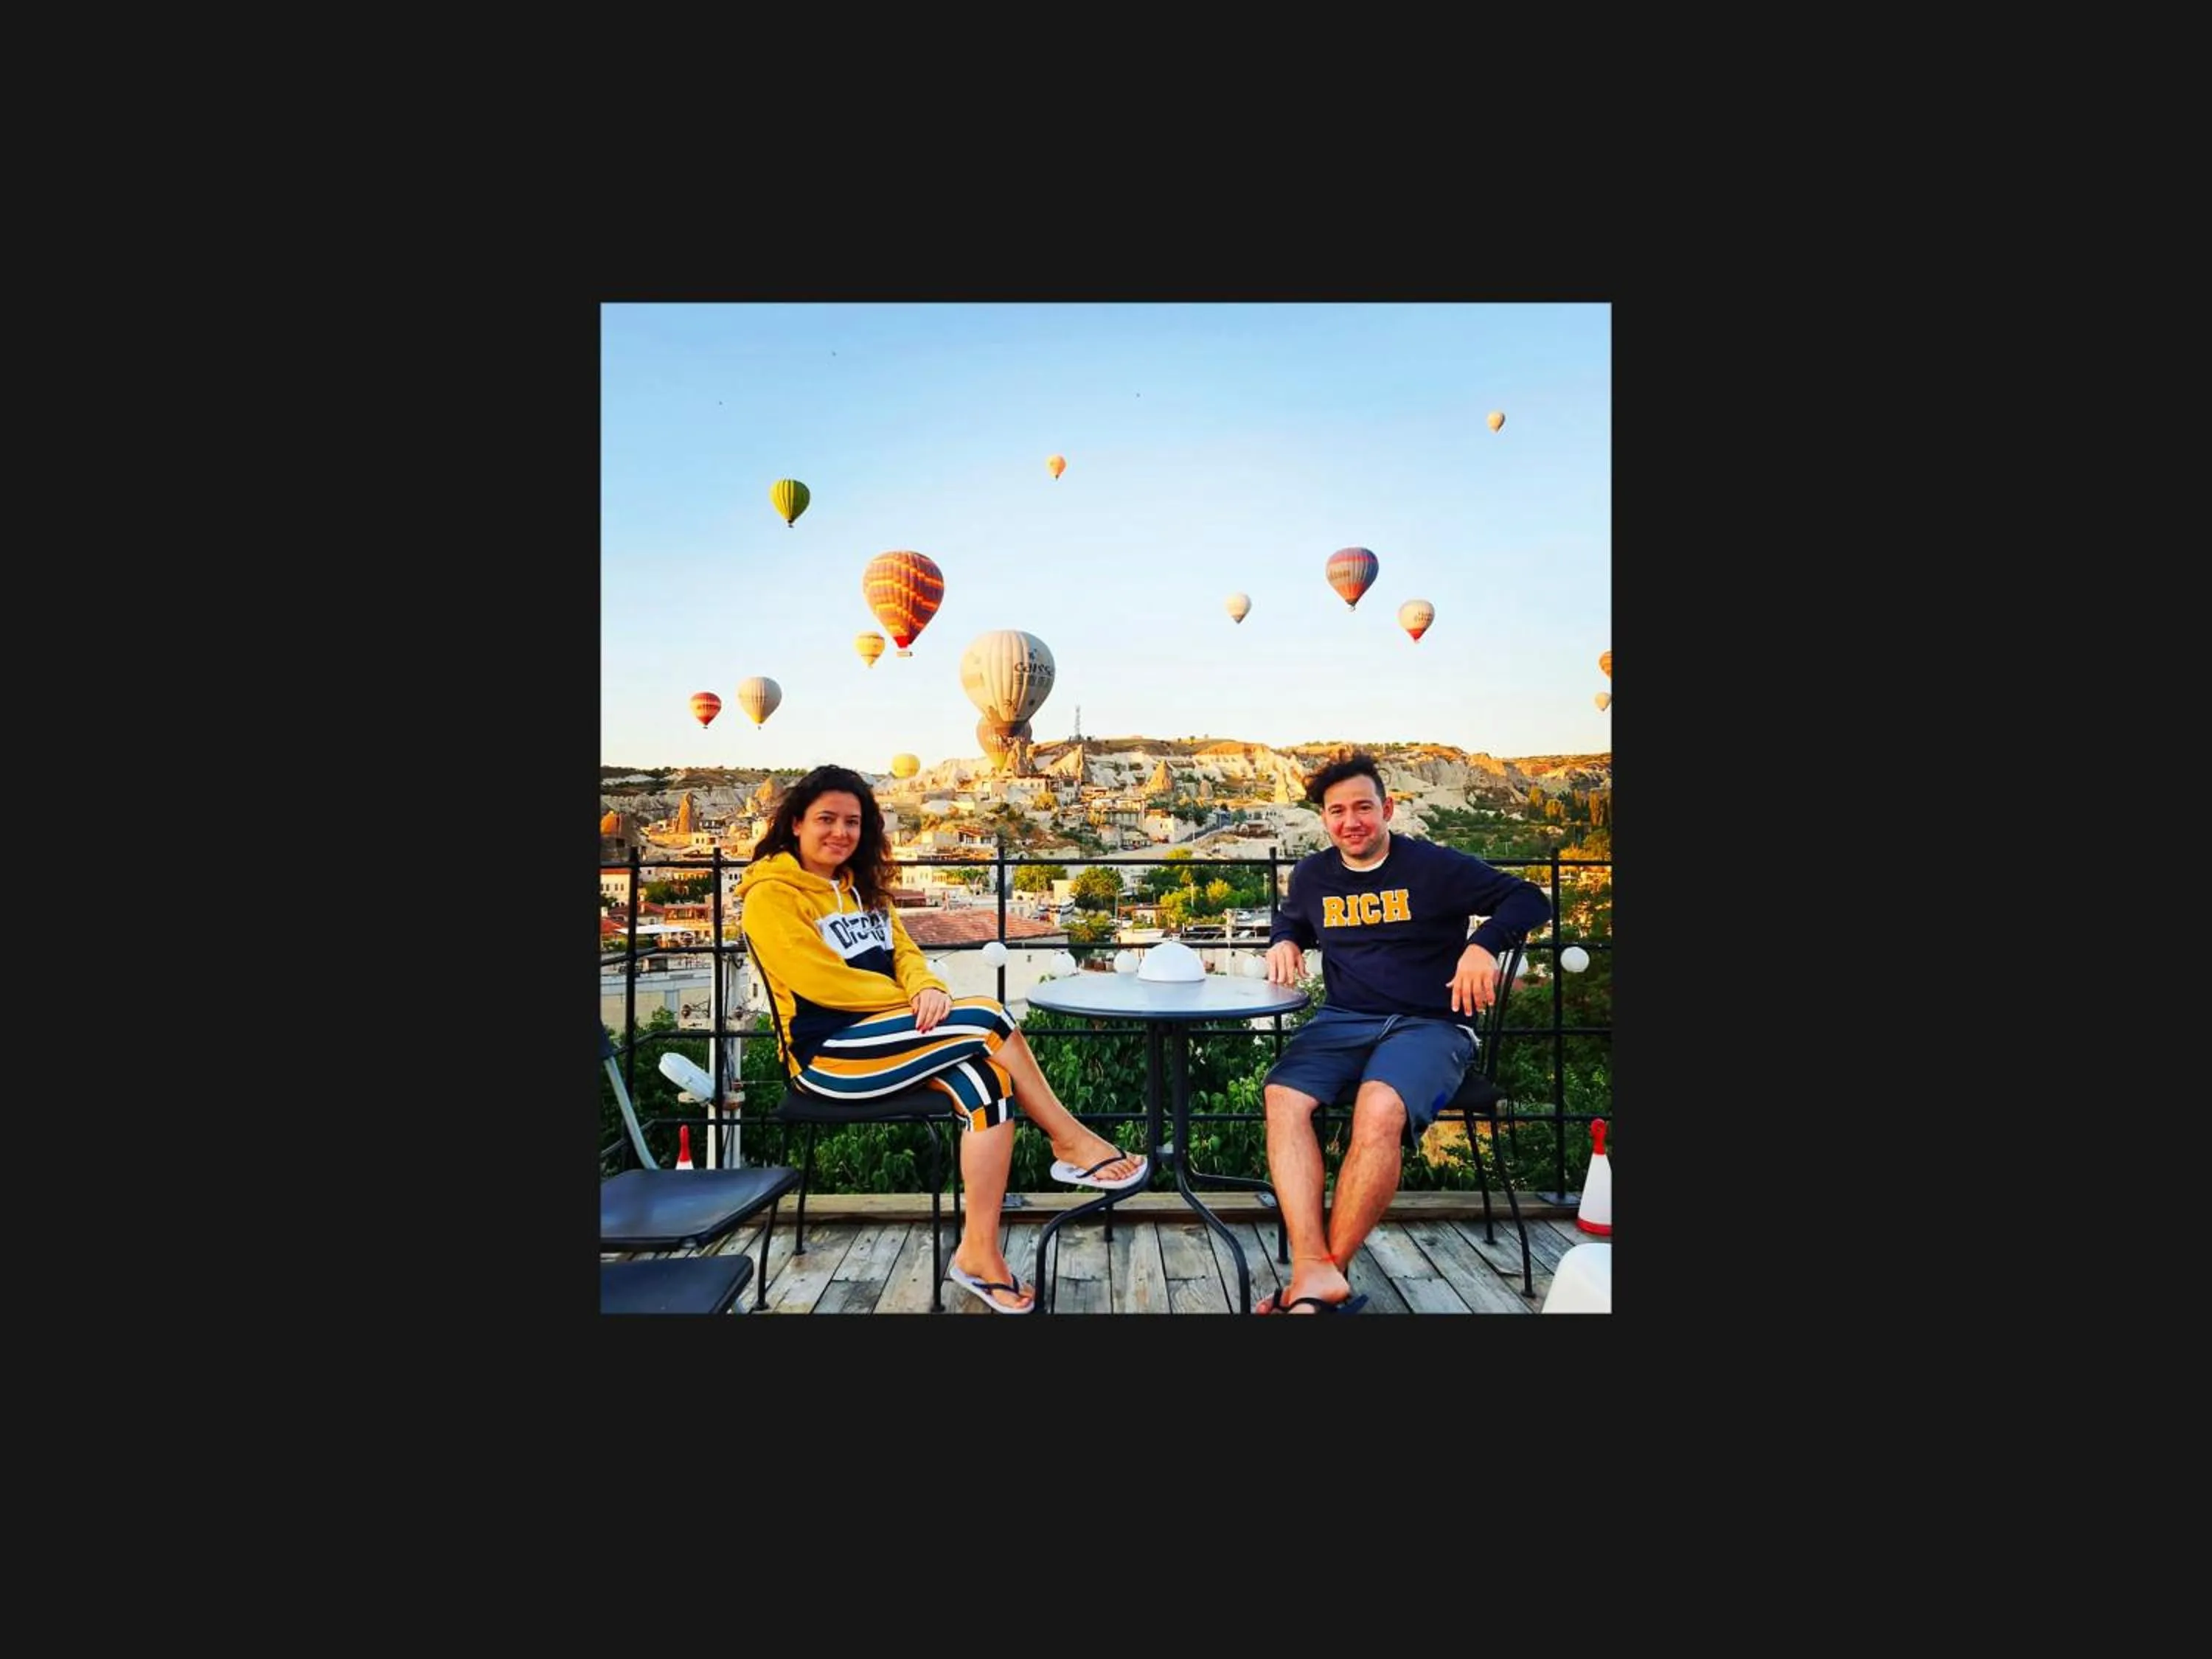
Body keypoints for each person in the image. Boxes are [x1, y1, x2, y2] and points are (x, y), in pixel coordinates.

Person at [734, 765, 1147, 1314]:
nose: (840, 833)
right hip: (828, 1058)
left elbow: (907, 955)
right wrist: (911, 1003)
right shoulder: (772, 896)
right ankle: (1070, 1140)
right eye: (826, 820)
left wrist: (925, 986)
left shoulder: (864, 889)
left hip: (890, 1039)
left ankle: (978, 1253)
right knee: (988, 1016)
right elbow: (816, 980)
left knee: (987, 1081)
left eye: (852, 822)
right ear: (795, 825)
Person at [1254, 752, 1551, 1312]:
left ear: (1387, 808)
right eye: (1337, 811)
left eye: (1364, 807)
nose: (1351, 821)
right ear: (1324, 819)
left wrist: (1481, 945)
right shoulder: (1315, 874)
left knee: (1379, 1111)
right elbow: (1295, 916)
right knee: (1282, 1097)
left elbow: (1529, 898)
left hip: (1432, 1025)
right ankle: (1318, 1273)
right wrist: (1284, 938)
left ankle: (1317, 1280)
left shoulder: (1434, 867)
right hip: (1344, 1021)